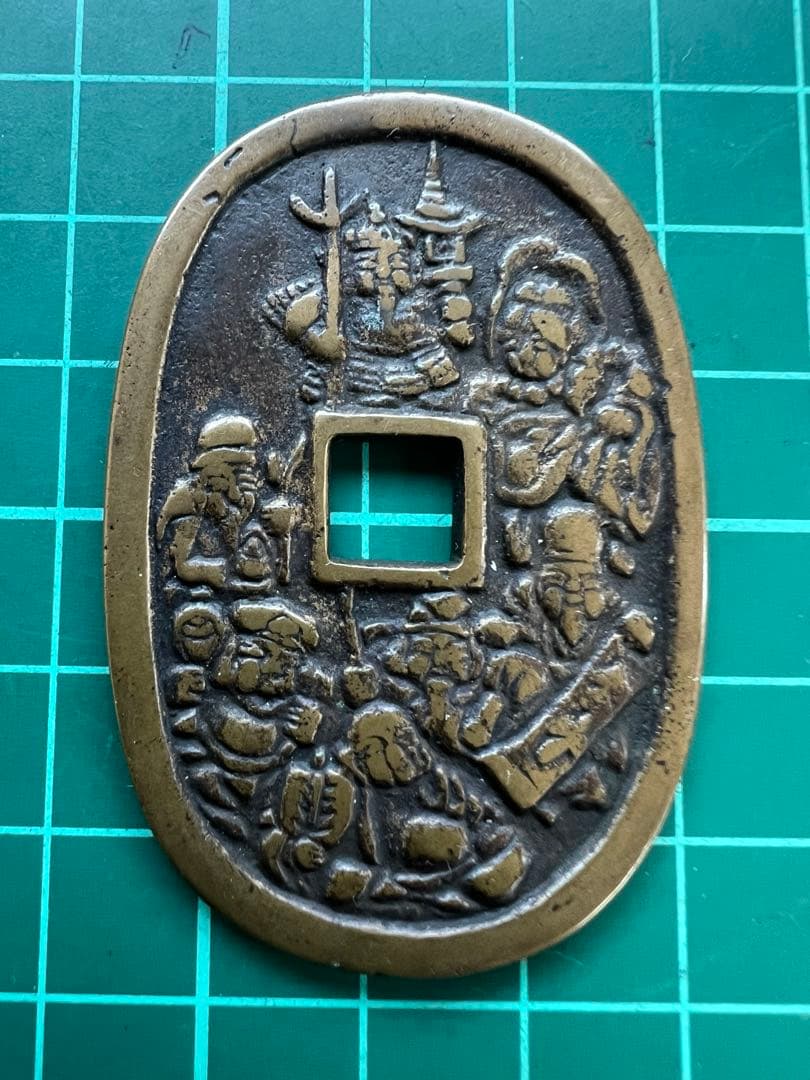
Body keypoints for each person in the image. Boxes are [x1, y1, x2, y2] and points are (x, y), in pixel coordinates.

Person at [156, 414, 275, 592]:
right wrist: (219, 573)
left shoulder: (236, 505)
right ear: (218, 469)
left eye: (249, 469)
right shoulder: (190, 500)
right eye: (241, 469)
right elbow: (182, 567)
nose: (250, 475)